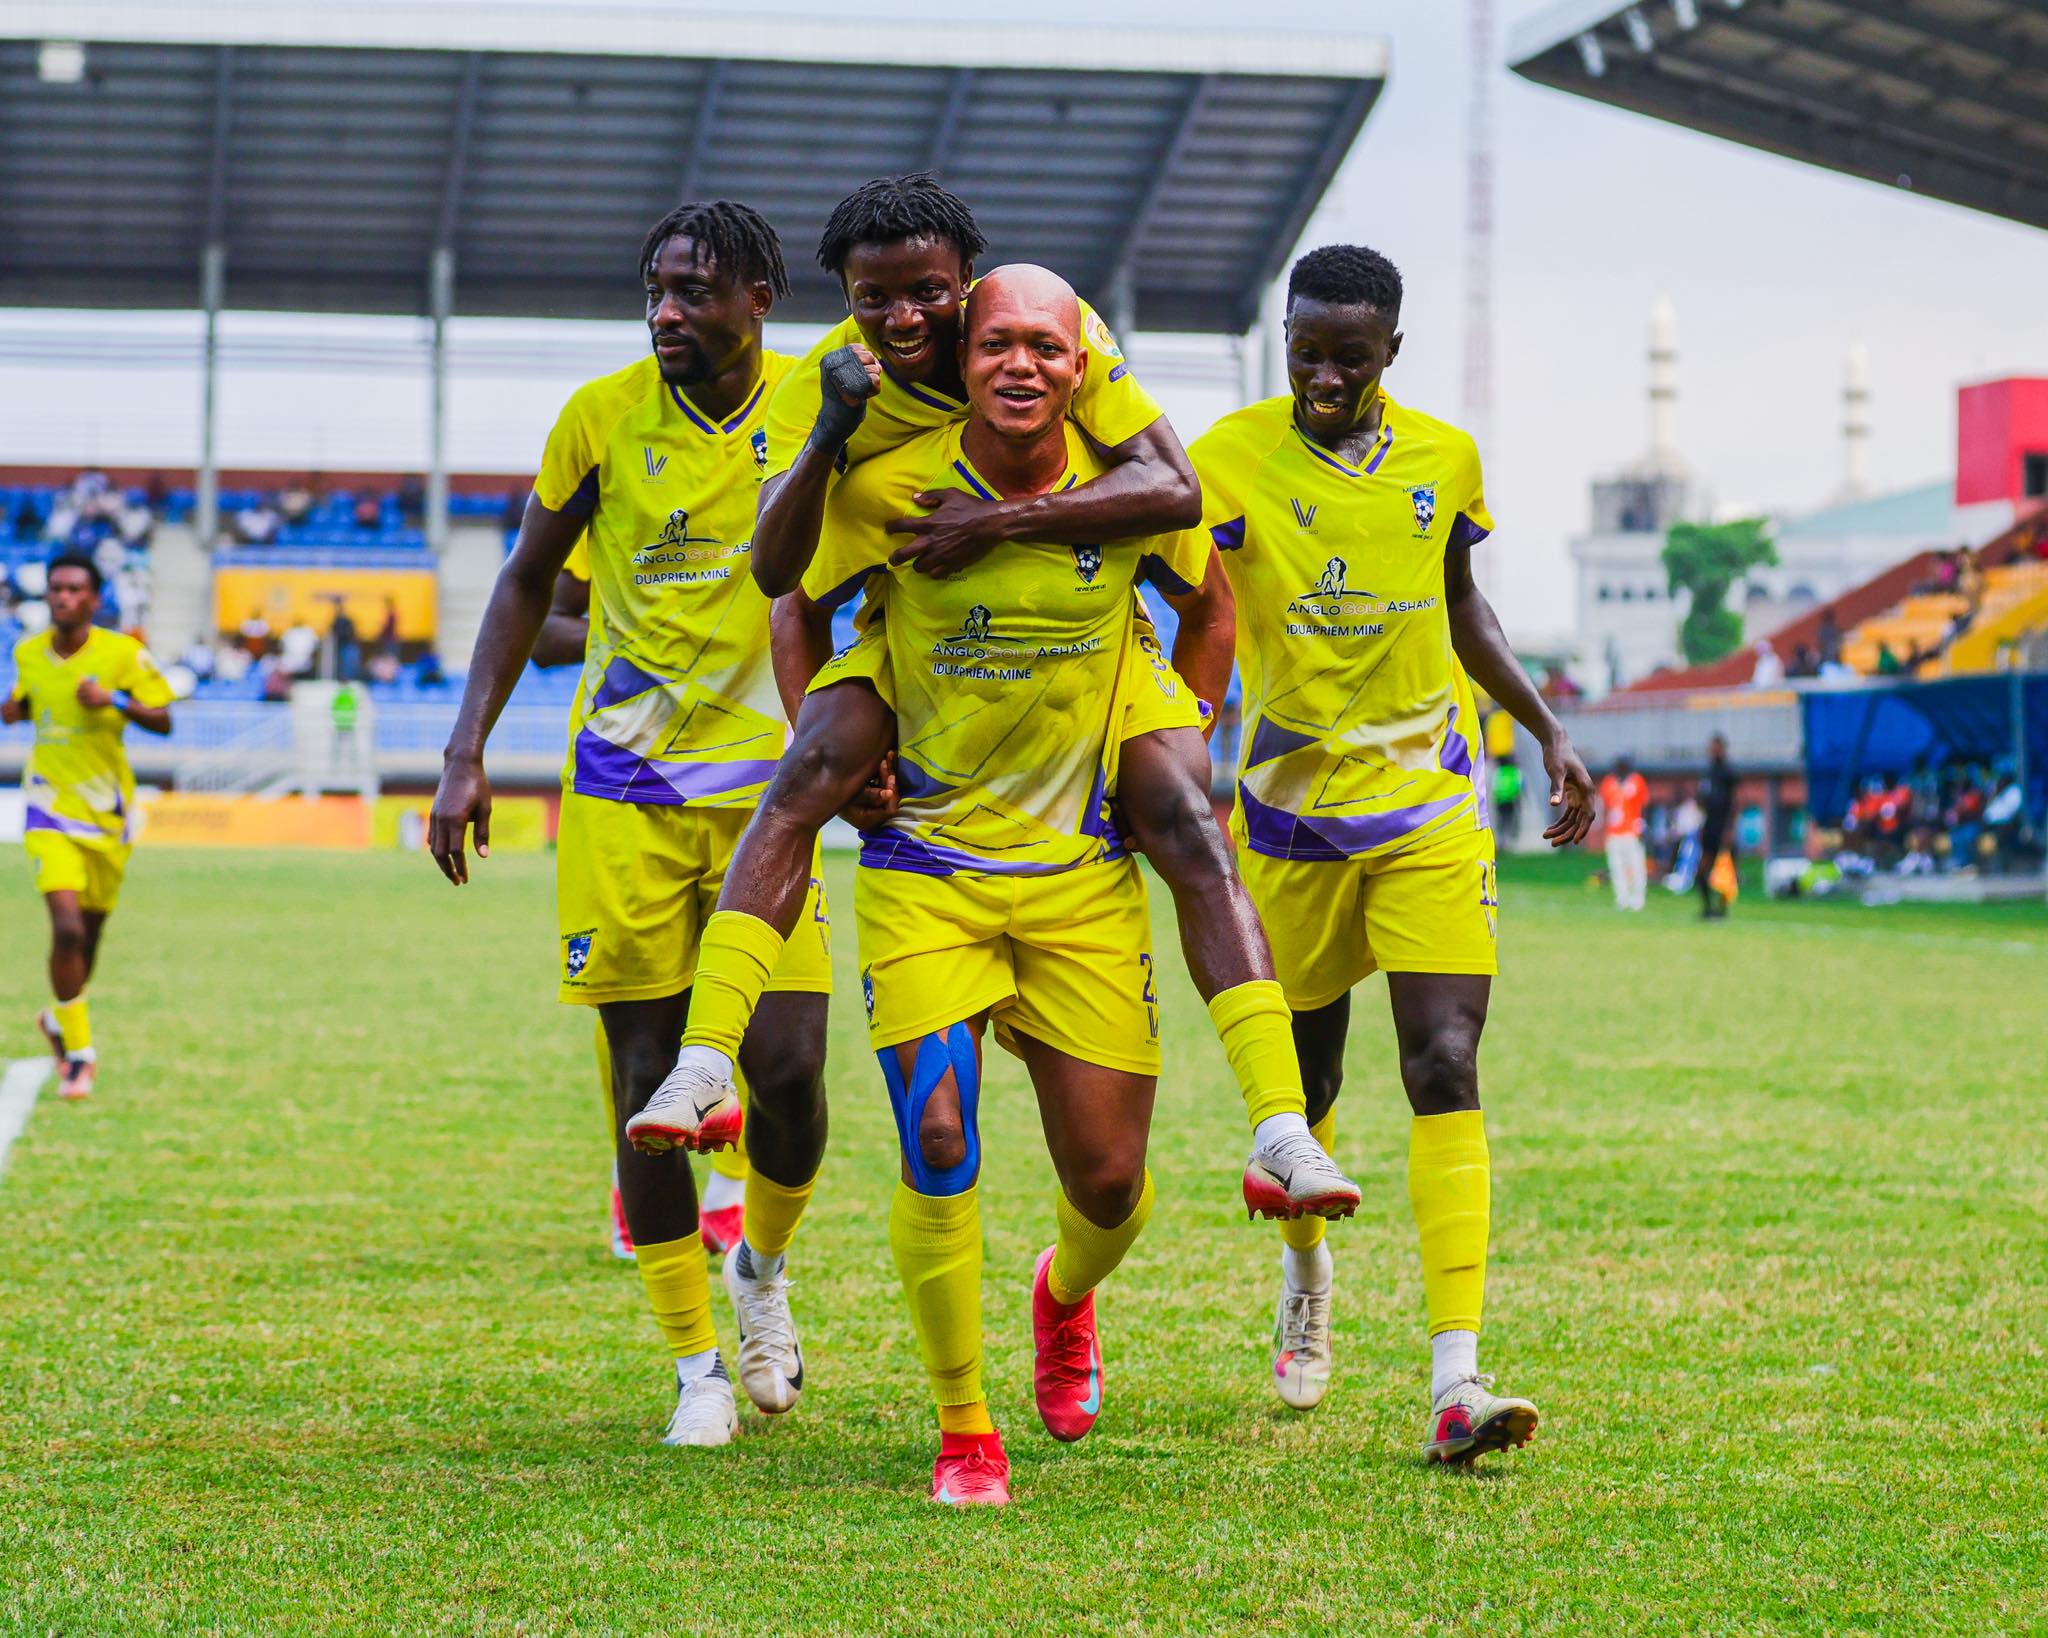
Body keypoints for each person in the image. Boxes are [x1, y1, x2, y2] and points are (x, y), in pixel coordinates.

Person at [675, 264, 1265, 1507]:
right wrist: (834, 730)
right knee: (936, 1138)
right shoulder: (872, 456)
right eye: (995, 344)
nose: (1013, 362)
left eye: (1038, 346)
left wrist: (1175, 732)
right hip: (926, 870)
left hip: (1077, 877)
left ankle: (1065, 1295)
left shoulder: (1119, 464)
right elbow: (787, 588)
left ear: (1072, 356)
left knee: (1109, 1186)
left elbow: (1207, 593)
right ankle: (964, 1433)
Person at [648, 173, 1349, 1218]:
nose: (903, 319)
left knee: (1183, 811)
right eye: (874, 298)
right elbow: (782, 586)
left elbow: (1177, 499)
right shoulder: (833, 389)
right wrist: (831, 432)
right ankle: (704, 1061)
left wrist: (1002, 528)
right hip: (912, 644)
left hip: (1093, 659)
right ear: (846, 298)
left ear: (968, 286)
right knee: (808, 771)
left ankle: (1280, 1127)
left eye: (927, 294)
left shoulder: (1053, 335)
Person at [428, 200, 829, 1451]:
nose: (665, 312)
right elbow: (523, 581)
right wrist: (464, 751)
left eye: (692, 291)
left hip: (770, 799)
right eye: (654, 289)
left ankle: (759, 1270)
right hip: (624, 792)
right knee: (646, 1085)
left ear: (758, 297)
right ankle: (696, 1368)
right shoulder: (598, 418)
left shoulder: (818, 401)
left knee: (790, 1074)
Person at [1184, 244, 1594, 1457]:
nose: (1323, 376)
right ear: (1285, 341)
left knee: (1444, 1059)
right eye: (1305, 351)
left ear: (1390, 354)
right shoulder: (1223, 459)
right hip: (1290, 821)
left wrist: (1546, 728)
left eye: (1348, 358)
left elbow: (1462, 605)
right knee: (1305, 1095)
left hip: (1428, 806)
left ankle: (1455, 1380)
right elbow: (1187, 609)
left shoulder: (1442, 459)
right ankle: (1305, 1273)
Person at [532, 538, 752, 1263]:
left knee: (754, 1005)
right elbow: (544, 632)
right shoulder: (610, 514)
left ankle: (730, 1192)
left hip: (749, 773)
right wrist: (643, 629)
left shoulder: (776, 484)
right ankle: (633, 1183)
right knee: (634, 1020)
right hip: (630, 781)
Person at [4, 553, 174, 1100]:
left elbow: (164, 720)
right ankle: (80, 1055)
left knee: (90, 935)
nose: (63, 597)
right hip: (47, 805)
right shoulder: (28, 653)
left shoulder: (123, 653)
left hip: (106, 813)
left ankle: (59, 1019)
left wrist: (114, 700)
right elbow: (27, 700)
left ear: (95, 599)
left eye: (75, 589)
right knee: (68, 929)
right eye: (56, 588)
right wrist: (13, 710)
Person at [1600, 755, 1649, 910]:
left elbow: (1644, 805)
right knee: (1617, 867)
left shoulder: (1636, 781)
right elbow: (1606, 807)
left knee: (1636, 865)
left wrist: (1642, 825)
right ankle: (1622, 897)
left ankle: (1638, 897)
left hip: (1631, 831)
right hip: (1614, 832)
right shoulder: (1608, 783)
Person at [1698, 733, 1735, 917]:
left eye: (1716, 747)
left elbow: (1733, 802)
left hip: (1722, 827)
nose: (1713, 750)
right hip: (1709, 826)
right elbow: (1702, 799)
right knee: (1702, 870)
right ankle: (1707, 908)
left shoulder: (1727, 773)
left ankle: (1722, 910)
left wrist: (1729, 828)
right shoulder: (1708, 772)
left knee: (1723, 870)